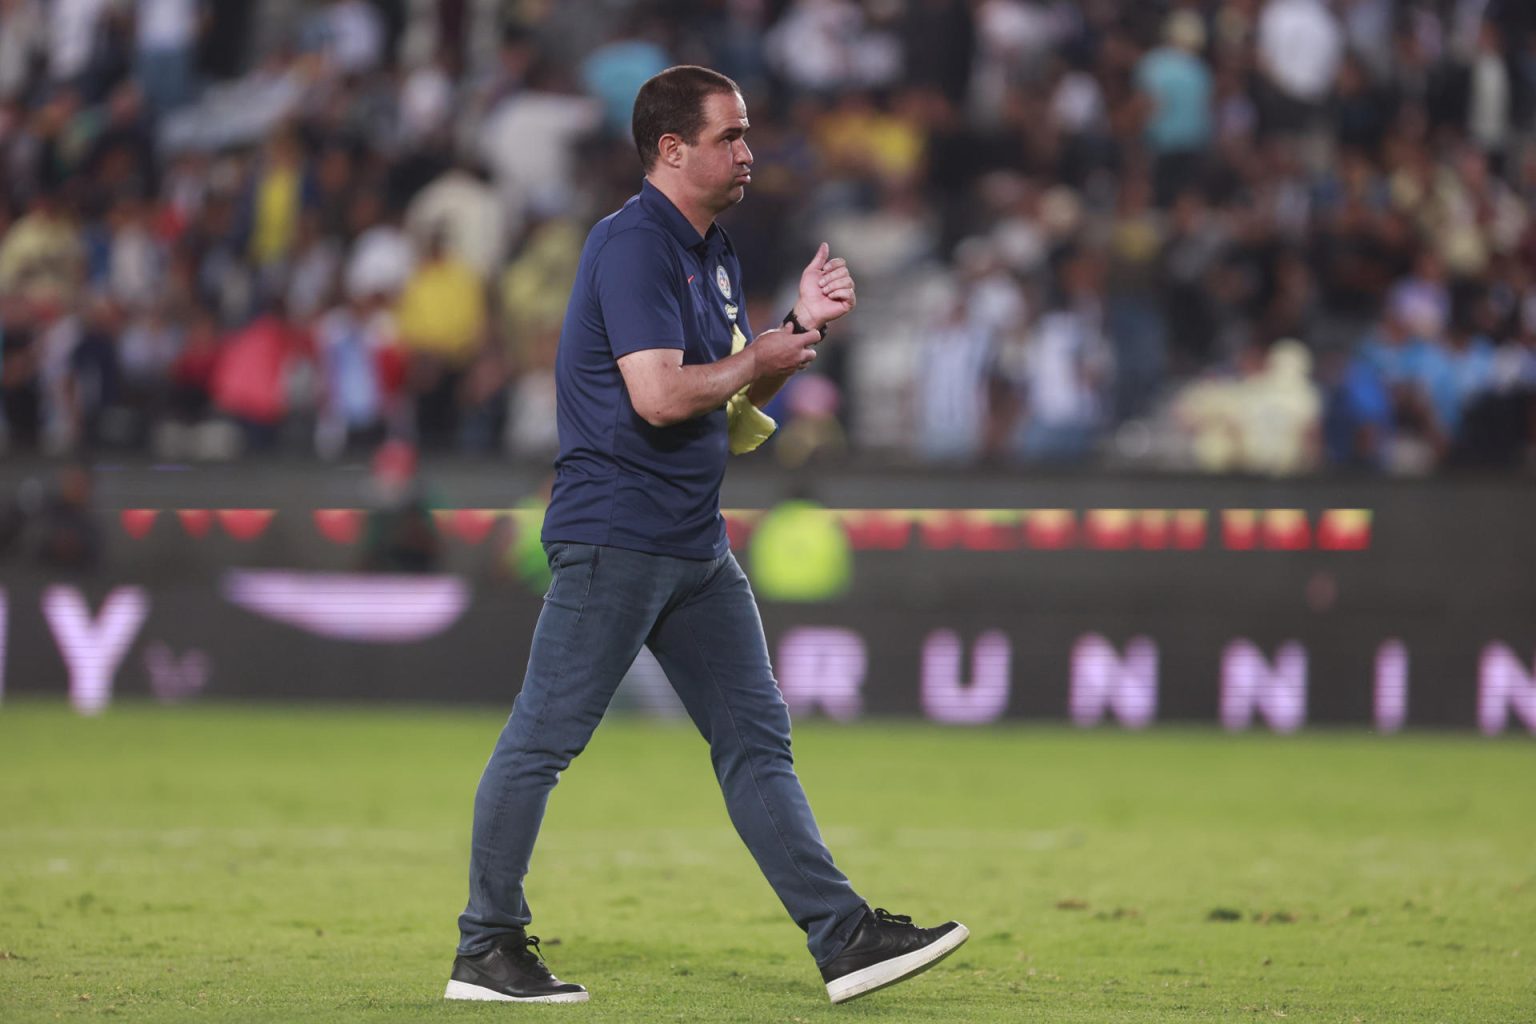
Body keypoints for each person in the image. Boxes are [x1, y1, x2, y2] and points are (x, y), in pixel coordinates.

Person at [447, 65, 966, 1006]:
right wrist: (761, 353)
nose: (748, 151)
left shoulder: (711, 251)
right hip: (617, 534)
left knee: (757, 740)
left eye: (747, 134)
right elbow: (655, 394)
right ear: (672, 149)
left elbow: (723, 404)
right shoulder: (634, 245)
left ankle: (842, 935)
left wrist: (792, 329)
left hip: (690, 541)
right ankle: (486, 947)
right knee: (544, 741)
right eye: (729, 136)